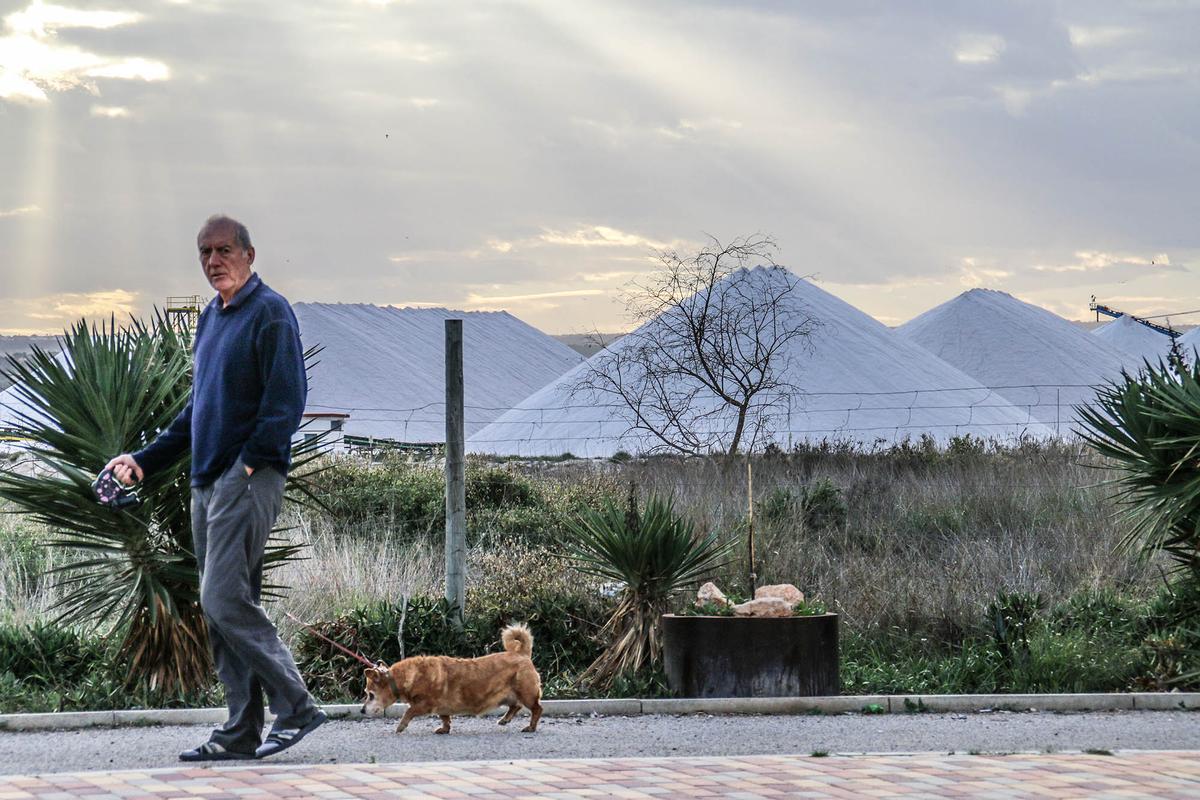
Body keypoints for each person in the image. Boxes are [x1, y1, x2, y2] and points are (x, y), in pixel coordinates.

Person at [105, 214, 325, 761]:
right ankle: (240, 730)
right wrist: (143, 461)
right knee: (225, 607)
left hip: (247, 479)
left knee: (222, 599)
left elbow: (286, 403)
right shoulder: (211, 318)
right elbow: (195, 415)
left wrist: (248, 466)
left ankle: (295, 705)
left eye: (223, 250)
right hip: (208, 481)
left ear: (249, 254)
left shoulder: (270, 313)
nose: (213, 261)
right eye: (204, 252)